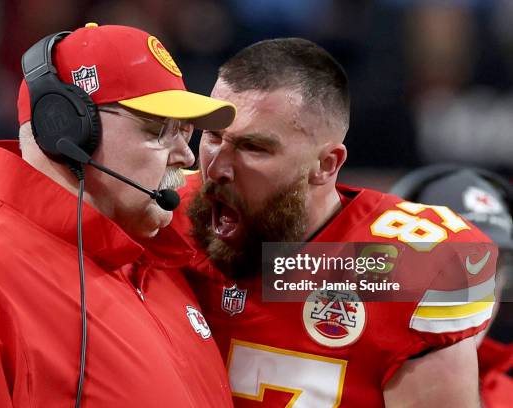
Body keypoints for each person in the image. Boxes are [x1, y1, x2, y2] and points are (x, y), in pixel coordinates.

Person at [0, 24, 237, 407]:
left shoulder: (152, 258)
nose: (187, 155)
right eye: (159, 130)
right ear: (68, 130)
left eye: (185, 131)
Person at [171, 38, 497, 407]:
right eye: (213, 136)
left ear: (327, 165)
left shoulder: (407, 268)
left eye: (254, 148)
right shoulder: (162, 213)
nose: (216, 168)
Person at [390, 165, 513, 408]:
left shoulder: (507, 398)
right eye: (450, 268)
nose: (475, 296)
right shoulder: (333, 381)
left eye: (490, 272)